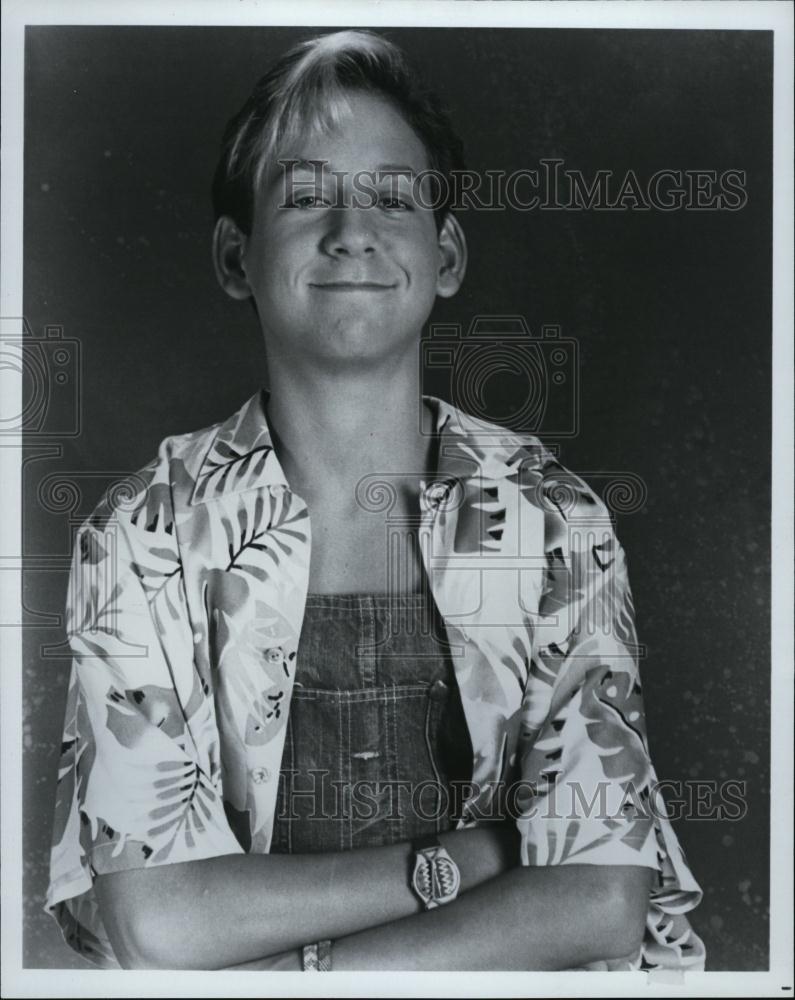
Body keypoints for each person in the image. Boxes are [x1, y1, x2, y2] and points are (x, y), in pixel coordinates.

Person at [45, 29, 705, 971]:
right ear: (236, 258)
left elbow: (598, 898)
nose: (351, 229)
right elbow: (160, 918)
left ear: (445, 257)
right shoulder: (143, 535)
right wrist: (469, 861)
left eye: (392, 198)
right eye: (306, 195)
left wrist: (317, 980)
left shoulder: (553, 518)